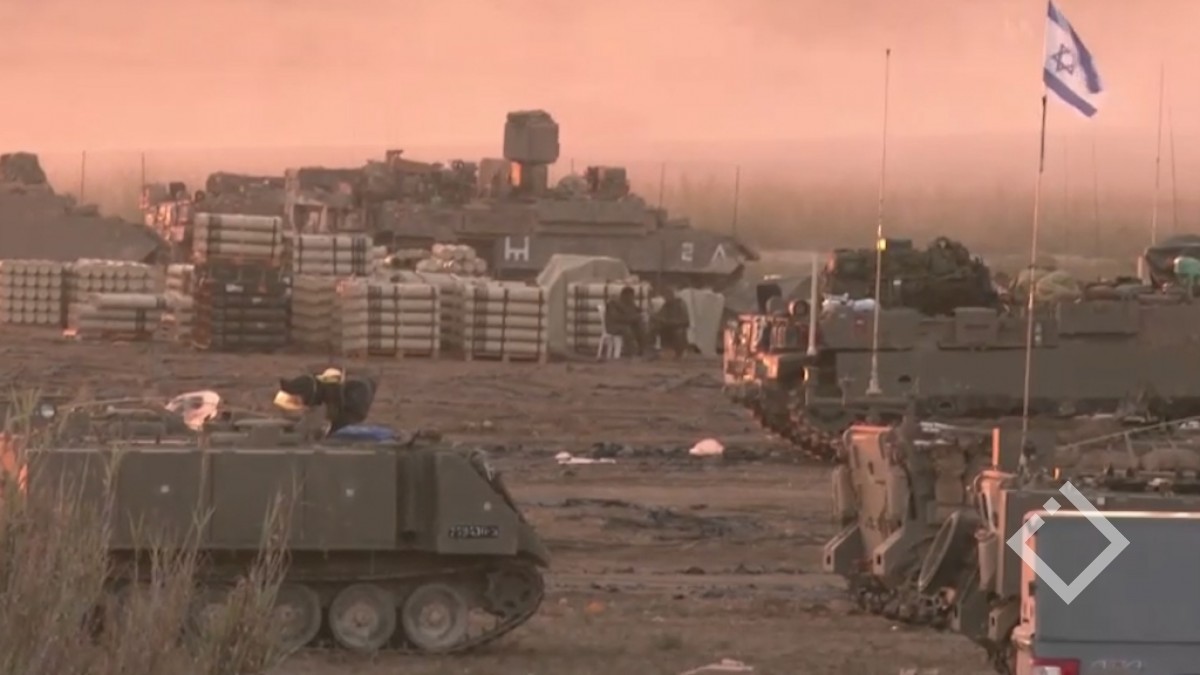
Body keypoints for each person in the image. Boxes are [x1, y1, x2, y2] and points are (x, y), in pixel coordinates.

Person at [604, 286, 647, 356]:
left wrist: (642, 313)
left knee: (640, 326)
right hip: (613, 326)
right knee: (627, 329)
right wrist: (633, 318)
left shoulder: (629, 303)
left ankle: (641, 349)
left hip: (626, 324)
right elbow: (616, 317)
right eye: (630, 296)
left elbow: (636, 310)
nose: (632, 298)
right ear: (624, 295)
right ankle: (631, 352)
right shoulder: (613, 303)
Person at [651, 288, 691, 357]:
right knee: (657, 328)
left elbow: (684, 319)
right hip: (668, 326)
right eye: (665, 296)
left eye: (667, 296)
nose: (666, 298)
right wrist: (656, 317)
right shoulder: (666, 305)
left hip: (679, 326)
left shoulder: (680, 304)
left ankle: (680, 351)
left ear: (672, 295)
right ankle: (664, 349)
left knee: (678, 332)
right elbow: (660, 315)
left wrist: (670, 321)